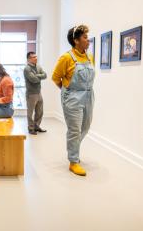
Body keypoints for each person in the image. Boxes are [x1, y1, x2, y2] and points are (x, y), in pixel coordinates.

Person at [52, 25, 95, 176]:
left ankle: (74, 150)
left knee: (85, 127)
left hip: (89, 96)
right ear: (76, 40)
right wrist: (68, 91)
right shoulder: (66, 58)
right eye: (84, 37)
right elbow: (56, 78)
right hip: (73, 97)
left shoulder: (90, 57)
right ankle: (73, 161)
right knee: (74, 130)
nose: (88, 40)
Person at [24, 51, 47, 135]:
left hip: (38, 92)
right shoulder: (27, 69)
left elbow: (45, 75)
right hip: (31, 94)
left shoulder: (38, 66)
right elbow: (33, 80)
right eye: (34, 57)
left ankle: (36, 126)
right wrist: (39, 76)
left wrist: (37, 76)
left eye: (36, 56)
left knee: (40, 111)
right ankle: (31, 129)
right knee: (30, 112)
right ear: (29, 59)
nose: (36, 58)